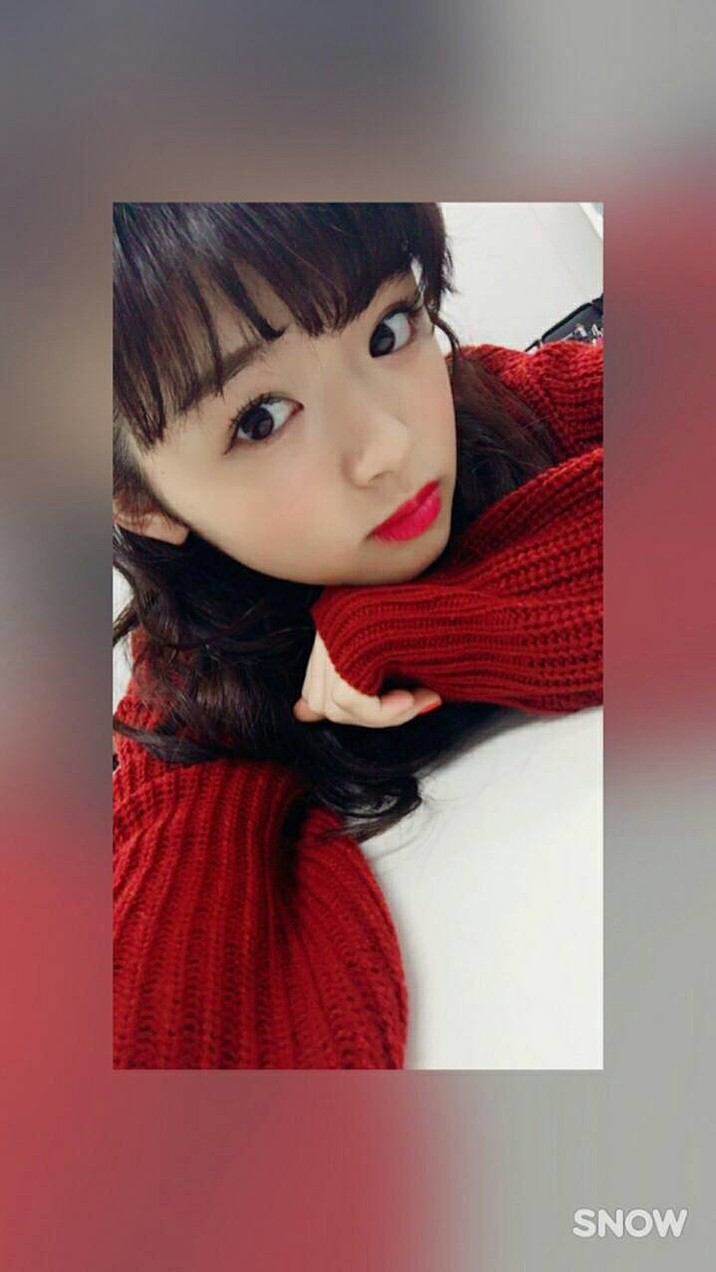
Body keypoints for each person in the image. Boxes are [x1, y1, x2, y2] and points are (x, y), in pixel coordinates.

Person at [113, 202, 602, 1069]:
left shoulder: (510, 406)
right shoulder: (194, 691)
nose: (387, 444)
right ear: (143, 504)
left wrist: (415, 622)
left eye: (387, 330)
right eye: (261, 419)